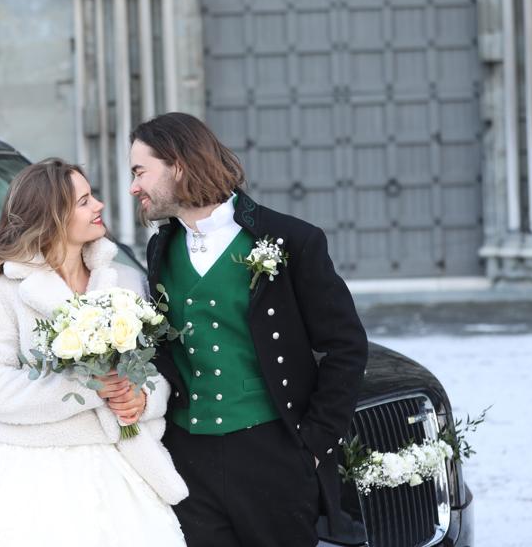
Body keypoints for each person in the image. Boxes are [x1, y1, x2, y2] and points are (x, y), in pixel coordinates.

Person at [0, 158, 187, 547]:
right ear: (51, 216)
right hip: (28, 472)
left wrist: (142, 397)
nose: (98, 205)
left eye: (92, 195)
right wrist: (89, 387)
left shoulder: (126, 280)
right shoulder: (1, 290)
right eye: (83, 201)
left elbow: (152, 367)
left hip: (120, 467)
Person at [129, 112, 368, 547]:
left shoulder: (289, 239)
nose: (134, 187)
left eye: (140, 171)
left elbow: (346, 347)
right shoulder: (161, 247)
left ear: (178, 165)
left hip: (271, 452)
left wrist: (312, 445)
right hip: (189, 456)